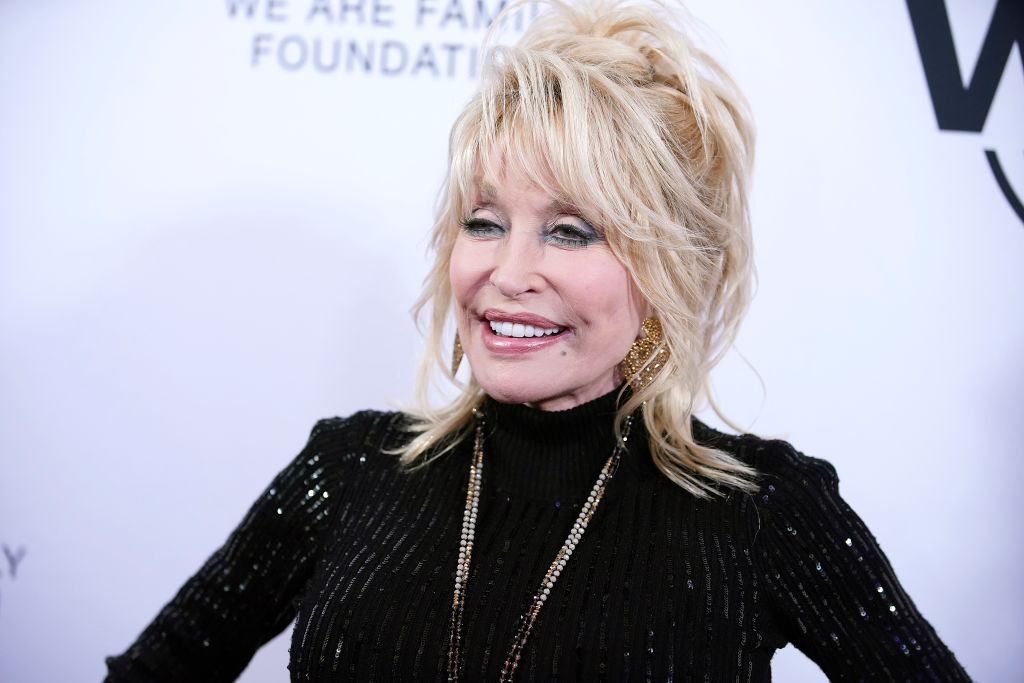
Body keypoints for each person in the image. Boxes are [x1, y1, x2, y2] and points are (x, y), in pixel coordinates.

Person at [105, 1, 970, 680]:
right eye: (484, 221)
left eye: (570, 231)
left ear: (668, 269)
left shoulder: (763, 511)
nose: (508, 271)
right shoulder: (348, 470)